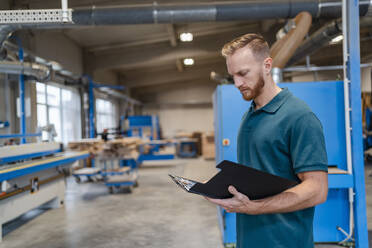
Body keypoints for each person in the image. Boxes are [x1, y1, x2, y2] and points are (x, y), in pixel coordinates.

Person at [205, 33, 328, 248]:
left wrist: (255, 207)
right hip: (250, 238)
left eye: (243, 73)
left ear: (267, 65)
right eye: (233, 76)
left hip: (284, 241)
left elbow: (317, 190)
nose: (237, 83)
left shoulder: (299, 116)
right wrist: (221, 188)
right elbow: (257, 175)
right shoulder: (251, 114)